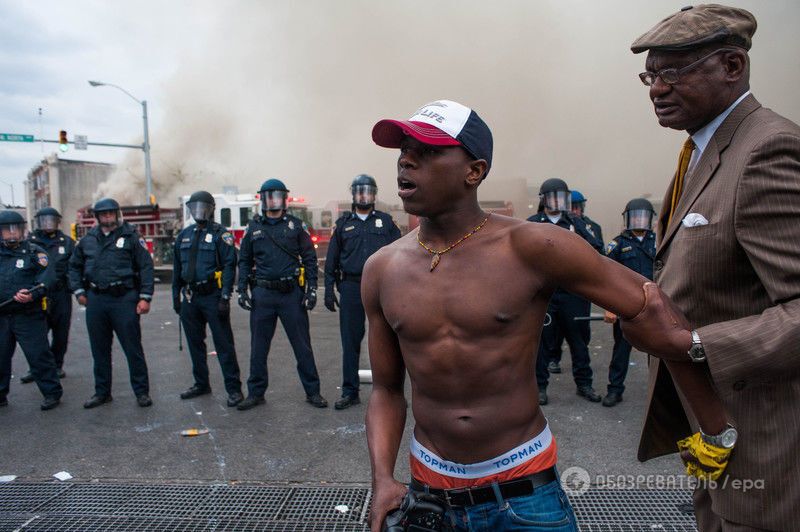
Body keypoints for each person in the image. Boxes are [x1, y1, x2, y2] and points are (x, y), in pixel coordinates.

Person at [364, 99, 723, 532]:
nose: (406, 159)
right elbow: (385, 388)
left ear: (474, 171)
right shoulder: (382, 268)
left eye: (428, 150)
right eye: (404, 148)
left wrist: (714, 426)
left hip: (524, 495)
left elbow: (652, 306)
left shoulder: (533, 246)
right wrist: (383, 479)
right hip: (429, 495)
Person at [628, 4, 800, 528]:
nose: (657, 89)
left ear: (732, 67)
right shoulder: (702, 150)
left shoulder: (768, 149)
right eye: (650, 75)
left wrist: (692, 344)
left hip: (766, 444)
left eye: (674, 72)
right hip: (712, 428)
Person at [236, 179, 328, 410]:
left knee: (302, 347)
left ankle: (313, 392)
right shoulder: (254, 228)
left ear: (284, 199)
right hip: (263, 294)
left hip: (291, 296)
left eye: (277, 196)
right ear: (263, 199)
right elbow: (244, 260)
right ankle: (256, 393)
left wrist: (312, 289)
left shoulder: (296, 226)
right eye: (269, 196)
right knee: (258, 348)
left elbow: (309, 259)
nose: (273, 200)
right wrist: (242, 290)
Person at [324, 174, 401, 410]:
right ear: (353, 195)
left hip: (382, 287)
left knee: (389, 340)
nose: (363, 196)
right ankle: (350, 391)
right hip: (351, 287)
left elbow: (401, 253)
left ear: (374, 195)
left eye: (367, 192)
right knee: (350, 341)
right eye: (359, 192)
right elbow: (331, 260)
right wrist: (328, 287)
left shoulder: (386, 222)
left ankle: (391, 391)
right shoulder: (343, 225)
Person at [68, 198, 154, 408]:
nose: (108, 217)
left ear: (117, 214)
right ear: (97, 217)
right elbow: (73, 267)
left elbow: (145, 267)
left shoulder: (131, 236)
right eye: (103, 214)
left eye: (111, 214)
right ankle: (102, 392)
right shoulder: (88, 240)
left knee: (132, 348)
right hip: (96, 299)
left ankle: (141, 392)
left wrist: (145, 297)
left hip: (124, 298)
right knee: (99, 349)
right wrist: (79, 291)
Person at [528, 178, 603, 404]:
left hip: (573, 292)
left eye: (563, 198)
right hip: (546, 293)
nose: (559, 202)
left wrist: (577, 223)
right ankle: (540, 386)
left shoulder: (575, 223)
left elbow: (597, 249)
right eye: (553, 197)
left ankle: (584, 384)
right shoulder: (533, 223)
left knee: (578, 341)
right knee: (542, 343)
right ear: (543, 200)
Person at [172, 191, 243, 407]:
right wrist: (176, 295)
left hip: (213, 296)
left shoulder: (222, 235)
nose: (199, 212)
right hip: (191, 298)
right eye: (195, 208)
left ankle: (234, 389)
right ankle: (201, 384)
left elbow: (230, 266)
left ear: (212, 210)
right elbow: (177, 268)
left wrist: (225, 297)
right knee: (195, 344)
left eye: (203, 207)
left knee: (224, 345)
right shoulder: (184, 235)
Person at [0, 210, 62, 410]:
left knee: (38, 355)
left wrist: (33, 294)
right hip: (2, 316)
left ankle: (52, 393)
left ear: (22, 230)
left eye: (15, 230)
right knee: (0, 357)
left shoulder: (35, 252)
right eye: (6, 231)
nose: (11, 234)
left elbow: (48, 278)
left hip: (28, 315)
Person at [601, 199, 656, 407]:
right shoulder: (618, 244)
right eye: (635, 216)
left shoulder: (659, 241)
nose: (639, 220)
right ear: (627, 218)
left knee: (659, 352)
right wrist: (609, 307)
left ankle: (659, 394)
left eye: (643, 216)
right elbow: (605, 277)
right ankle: (615, 390)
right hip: (626, 308)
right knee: (621, 351)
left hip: (654, 308)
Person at [20, 207, 75, 382]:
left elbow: (74, 266)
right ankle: (37, 368)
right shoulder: (29, 242)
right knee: (37, 334)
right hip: (37, 294)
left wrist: (74, 287)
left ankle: (57, 366)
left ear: (58, 222)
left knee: (61, 332)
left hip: (60, 293)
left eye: (51, 220)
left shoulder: (66, 242)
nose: (48, 224)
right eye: (44, 220)